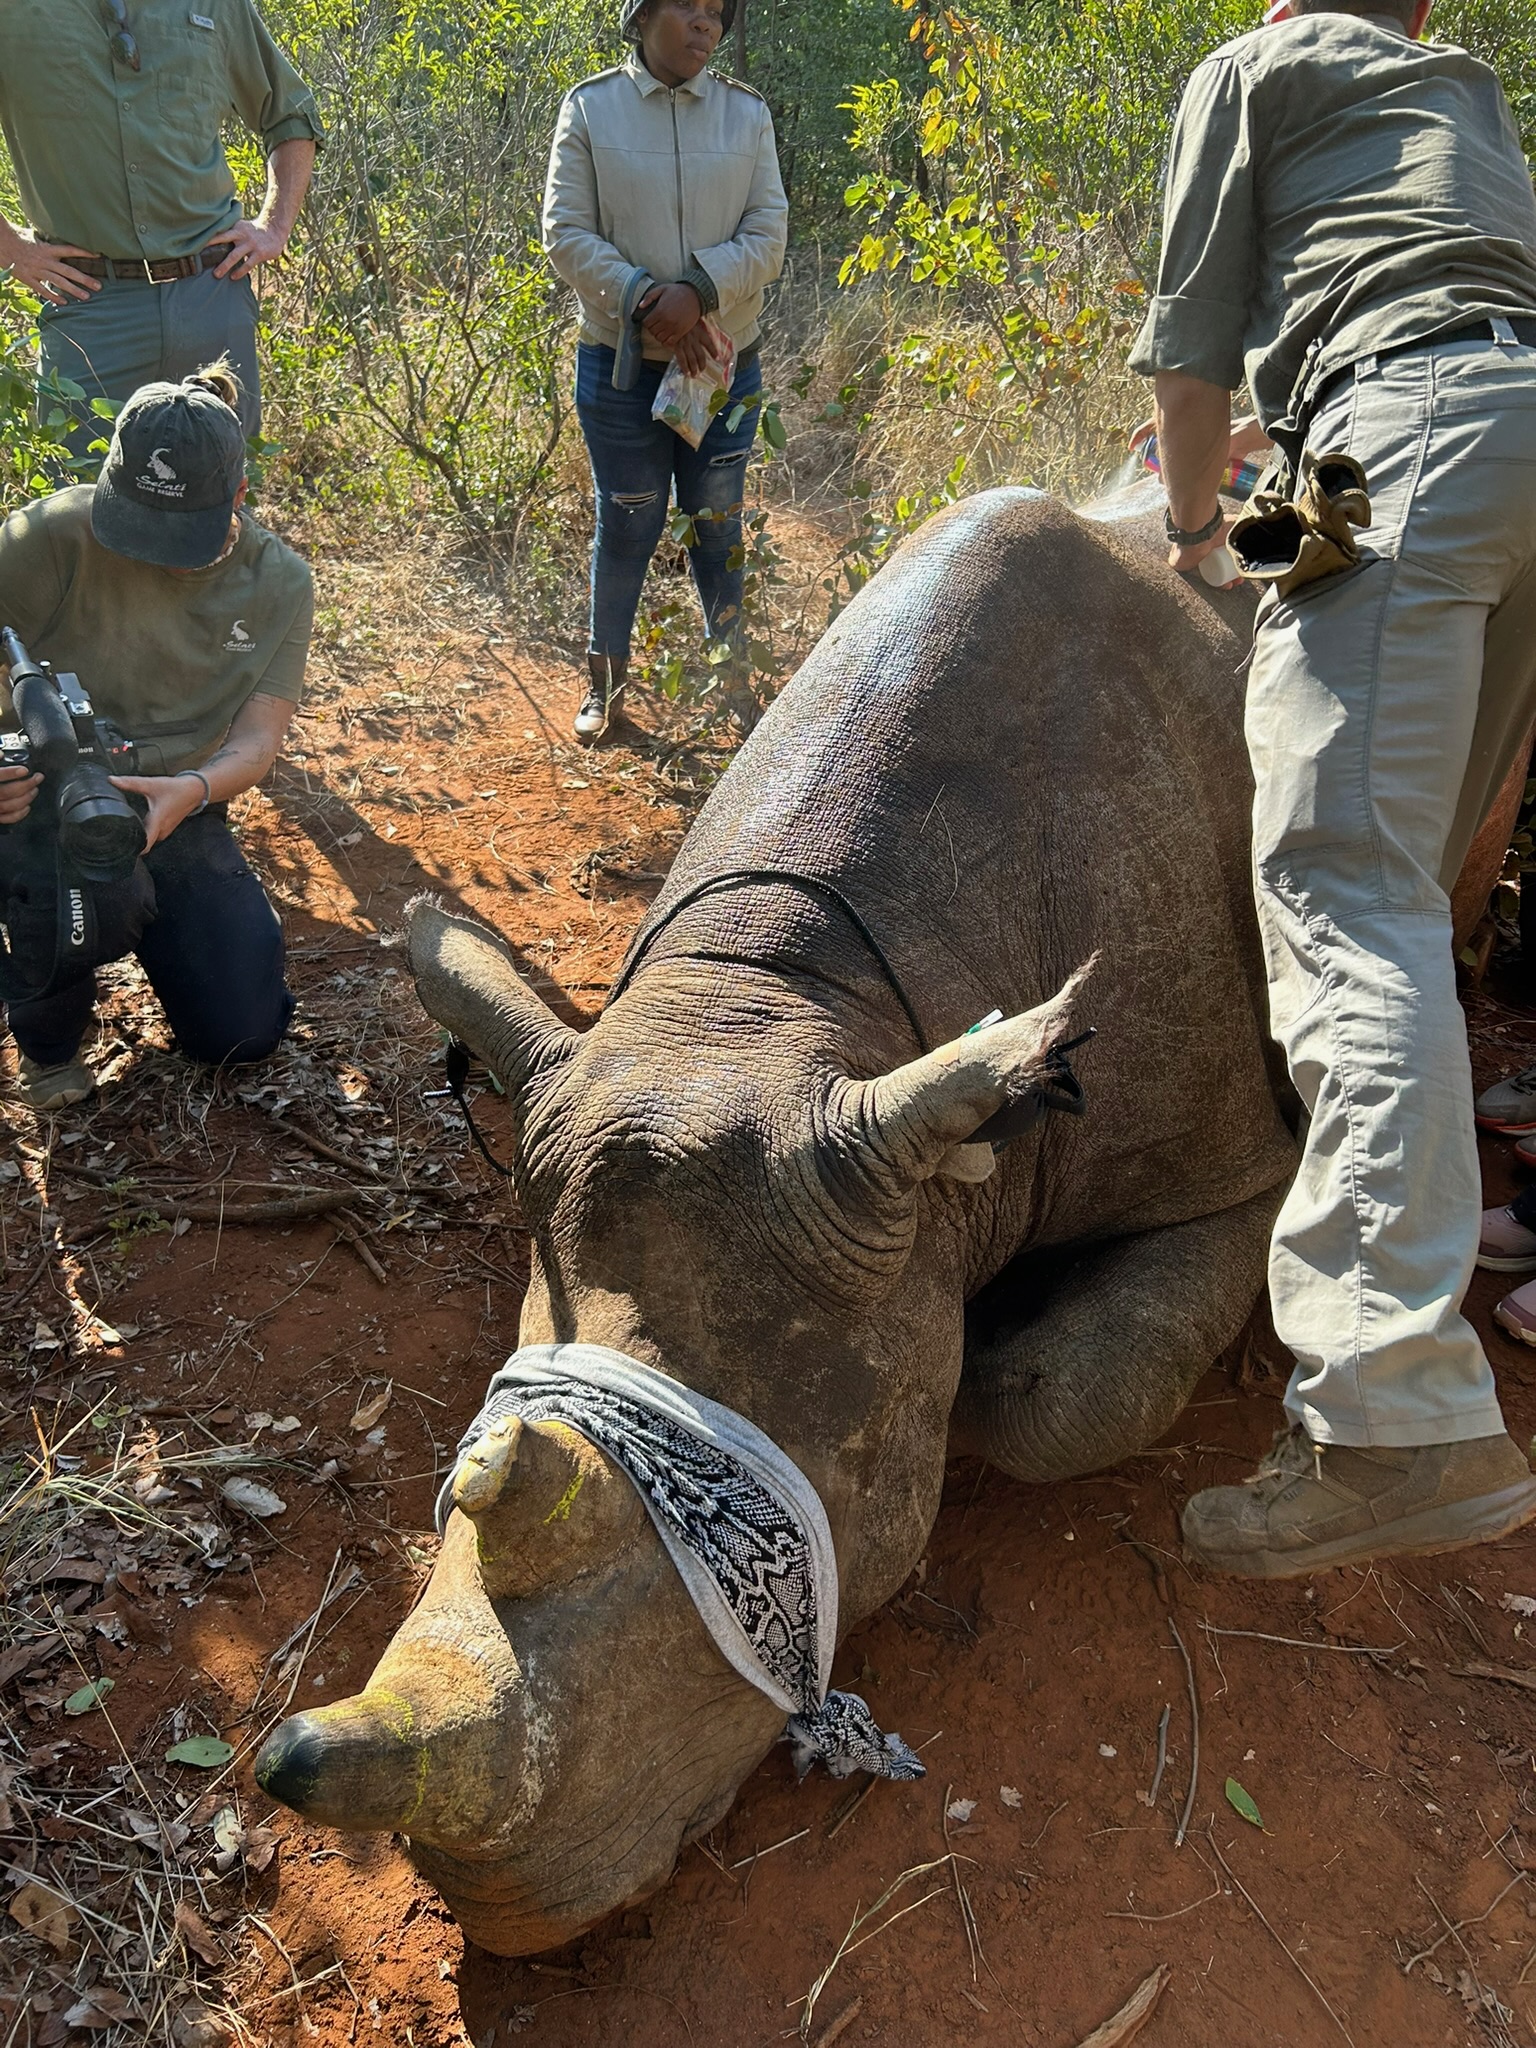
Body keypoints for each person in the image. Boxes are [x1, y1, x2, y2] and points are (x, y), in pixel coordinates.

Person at [1128, 0, 1536, 1575]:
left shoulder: (1256, 66)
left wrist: (1183, 525)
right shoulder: (1464, 91)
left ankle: (1391, 1414)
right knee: (1417, 878)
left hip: (1407, 431)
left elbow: (1191, 360)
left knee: (1345, 890)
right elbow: (1398, 439)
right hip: (1496, 437)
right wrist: (1262, 512)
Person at [0, 366, 312, 1110]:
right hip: (30, 794)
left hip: (171, 802)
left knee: (239, 1031)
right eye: (133, 520)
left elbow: (256, 742)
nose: (148, 551)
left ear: (237, 495)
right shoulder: (42, 536)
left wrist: (191, 792)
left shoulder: (279, 583)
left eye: (177, 532)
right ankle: (49, 1039)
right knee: (70, 890)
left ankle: (146, 920)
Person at [543, 0, 788, 741]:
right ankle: (605, 690)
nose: (706, 25)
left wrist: (700, 293)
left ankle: (734, 691)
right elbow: (564, 232)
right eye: (688, 7)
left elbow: (769, 232)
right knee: (628, 520)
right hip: (620, 372)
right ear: (643, 14)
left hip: (721, 369)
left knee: (717, 525)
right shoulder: (591, 109)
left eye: (717, 13)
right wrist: (650, 300)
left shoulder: (746, 116)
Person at [0, 1, 323, 445]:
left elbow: (290, 114)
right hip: (90, 310)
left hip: (211, 294)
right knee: (76, 505)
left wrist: (274, 225)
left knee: (222, 494)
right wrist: (11, 249)